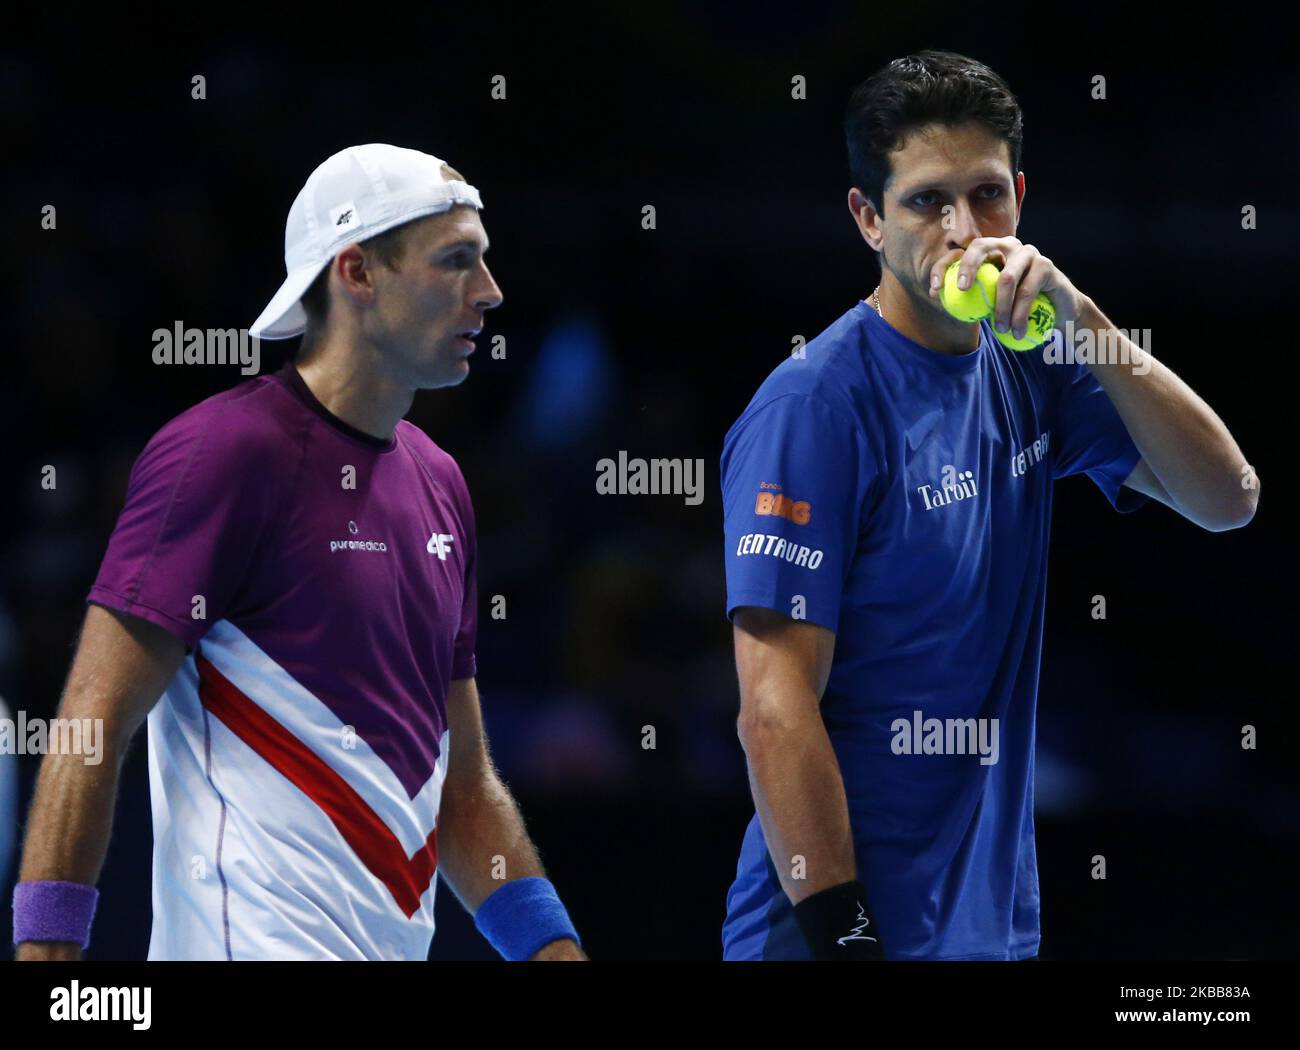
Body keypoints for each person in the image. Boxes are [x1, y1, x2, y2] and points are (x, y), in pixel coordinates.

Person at [720, 52, 1258, 961]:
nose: (965, 229)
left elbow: (1227, 497)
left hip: (990, 930)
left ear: (1020, 196)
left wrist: (1082, 316)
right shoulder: (813, 408)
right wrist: (847, 939)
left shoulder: (1034, 364)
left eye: (987, 195)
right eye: (927, 201)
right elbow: (774, 708)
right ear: (868, 219)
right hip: (832, 933)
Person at [13, 144, 584, 962]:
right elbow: (91, 722)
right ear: (356, 273)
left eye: (484, 262)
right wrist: (46, 956)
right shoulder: (224, 453)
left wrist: (555, 953)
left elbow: (463, 788)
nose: (489, 293)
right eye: (456, 261)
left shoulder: (441, 484)